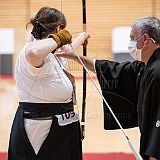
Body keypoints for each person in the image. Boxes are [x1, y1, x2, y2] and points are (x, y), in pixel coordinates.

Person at [57, 16, 160, 160]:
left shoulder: (157, 73)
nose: (130, 43)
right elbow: (110, 69)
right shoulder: (144, 66)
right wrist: (75, 57)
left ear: (145, 39)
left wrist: (154, 154)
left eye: (132, 38)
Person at [8, 6, 89, 160]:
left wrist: (83, 36)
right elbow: (34, 52)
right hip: (40, 128)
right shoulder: (31, 50)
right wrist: (58, 38)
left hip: (60, 125)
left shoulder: (53, 54)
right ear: (59, 29)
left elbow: (67, 49)